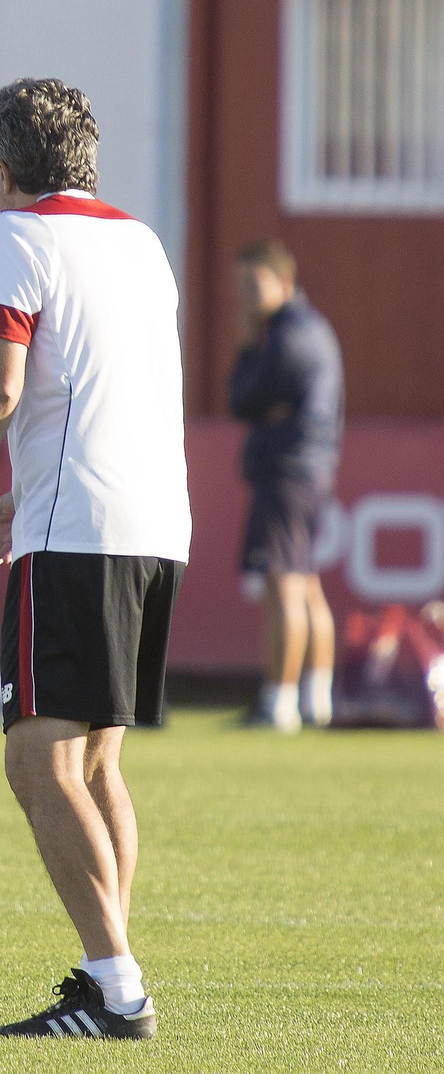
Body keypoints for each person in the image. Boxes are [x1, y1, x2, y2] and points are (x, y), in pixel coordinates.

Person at [0, 78, 189, 1040]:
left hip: (78, 534)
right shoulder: (143, 243)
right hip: (153, 526)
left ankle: (117, 991)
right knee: (98, 763)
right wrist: (21, 496)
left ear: (1, 168)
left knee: (38, 763)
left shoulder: (15, 235)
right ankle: (109, 971)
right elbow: (118, 395)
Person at [230, 239, 344, 733]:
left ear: (284, 282)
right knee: (306, 582)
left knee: (284, 583)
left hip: (289, 468)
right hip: (311, 466)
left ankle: (278, 701)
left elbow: (247, 398)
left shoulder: (287, 335)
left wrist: (245, 351)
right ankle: (316, 699)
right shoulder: (311, 329)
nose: (248, 297)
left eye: (255, 285)